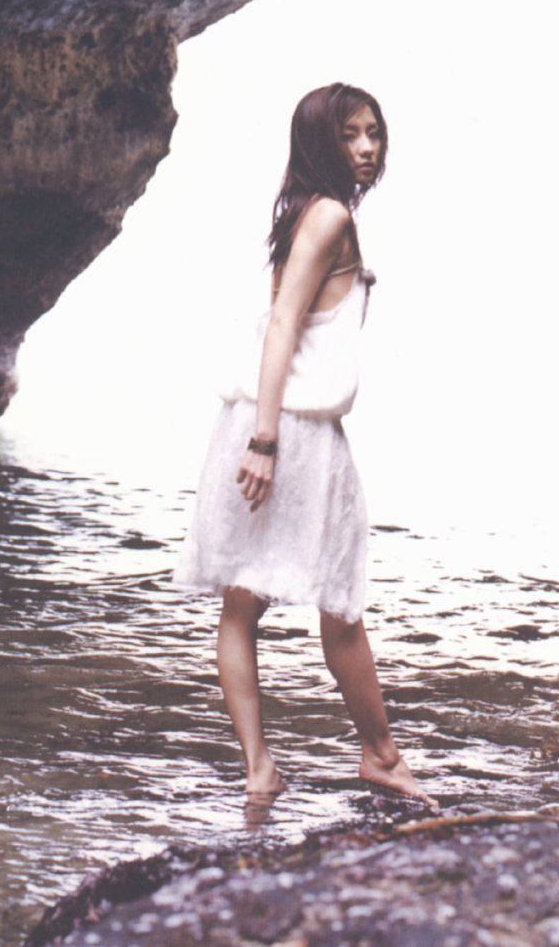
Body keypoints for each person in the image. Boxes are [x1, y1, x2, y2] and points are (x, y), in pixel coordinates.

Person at [175, 83, 428, 802]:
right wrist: (265, 442)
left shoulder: (304, 212)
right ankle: (380, 756)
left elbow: (288, 321)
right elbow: (284, 323)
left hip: (265, 421)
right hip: (292, 432)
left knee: (242, 604)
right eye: (351, 135)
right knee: (339, 606)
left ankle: (260, 772)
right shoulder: (330, 216)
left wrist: (259, 434)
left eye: (374, 132)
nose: (368, 148)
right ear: (322, 143)